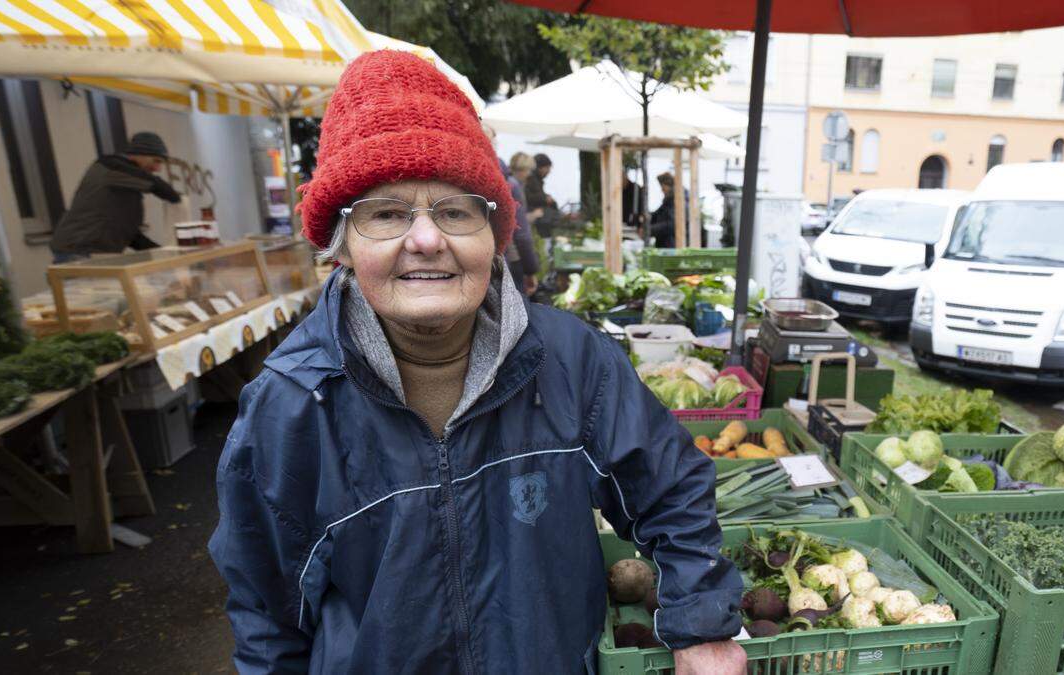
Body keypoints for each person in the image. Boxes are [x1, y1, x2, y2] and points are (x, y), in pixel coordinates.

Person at [209, 50, 745, 675]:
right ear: (341, 245)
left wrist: (702, 629)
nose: (427, 239)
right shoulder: (291, 407)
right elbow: (268, 615)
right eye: (386, 213)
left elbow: (673, 488)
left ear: (494, 236)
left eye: (456, 210)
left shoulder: (571, 362)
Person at [49, 132, 180, 263]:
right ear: (139, 153)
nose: (157, 168)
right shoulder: (111, 167)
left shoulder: (126, 184)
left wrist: (161, 252)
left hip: (89, 252)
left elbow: (129, 233)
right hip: (79, 251)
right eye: (156, 161)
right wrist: (178, 201)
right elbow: (159, 187)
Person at [502, 152, 541, 295]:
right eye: (529, 170)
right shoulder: (513, 186)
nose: (529, 174)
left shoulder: (502, 181)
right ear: (524, 169)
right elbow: (521, 233)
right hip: (513, 257)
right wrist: (531, 269)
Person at [648, 172, 687, 249]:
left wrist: (650, 230)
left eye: (663, 188)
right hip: (667, 244)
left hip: (672, 245)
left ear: (669, 186)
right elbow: (657, 214)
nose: (662, 191)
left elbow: (671, 224)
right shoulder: (669, 200)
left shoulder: (677, 201)